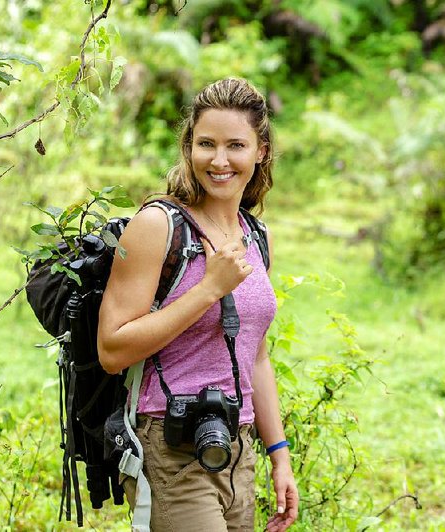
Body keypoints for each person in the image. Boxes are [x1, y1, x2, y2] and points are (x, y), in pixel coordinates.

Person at [97, 77, 298, 531]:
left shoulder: (255, 235)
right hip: (171, 449)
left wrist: (278, 455)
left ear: (260, 151)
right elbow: (112, 350)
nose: (220, 160)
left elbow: (257, 355)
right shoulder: (157, 226)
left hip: (236, 448)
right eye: (206, 143)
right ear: (189, 147)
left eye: (236, 145)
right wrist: (207, 289)